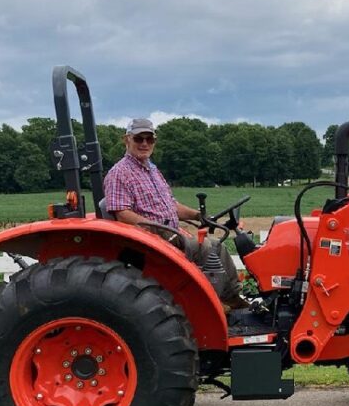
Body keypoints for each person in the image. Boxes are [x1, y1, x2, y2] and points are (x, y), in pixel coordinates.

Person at [103, 117, 246, 309]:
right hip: (153, 240)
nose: (144, 143)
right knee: (211, 248)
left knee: (216, 245)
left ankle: (230, 297)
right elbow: (122, 214)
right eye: (139, 139)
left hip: (169, 234)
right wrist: (156, 229)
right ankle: (226, 303)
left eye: (149, 139)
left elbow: (171, 205)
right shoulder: (119, 173)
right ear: (126, 140)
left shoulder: (151, 170)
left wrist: (198, 216)